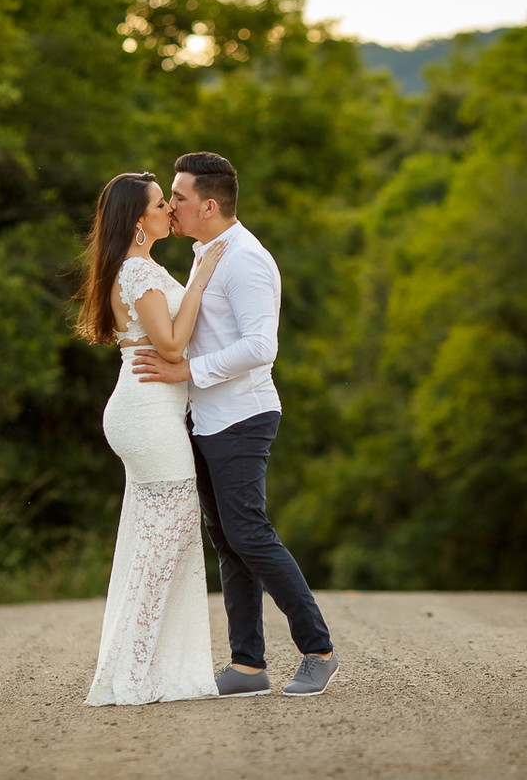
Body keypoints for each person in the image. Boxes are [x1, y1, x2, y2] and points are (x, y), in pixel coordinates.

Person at [133, 152, 338, 697]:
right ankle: (248, 666)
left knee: (250, 533)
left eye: (177, 197)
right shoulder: (206, 253)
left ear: (209, 204)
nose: (171, 206)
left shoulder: (246, 259)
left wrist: (186, 369)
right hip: (206, 417)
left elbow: (261, 347)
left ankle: (318, 649)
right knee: (227, 540)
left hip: (244, 417)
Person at [75, 171, 226, 706]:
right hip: (148, 417)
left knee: (155, 538)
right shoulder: (137, 271)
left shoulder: (141, 266)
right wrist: (202, 280)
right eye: (162, 205)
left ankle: (141, 665)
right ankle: (136, 671)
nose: (169, 211)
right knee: (169, 538)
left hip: (144, 413)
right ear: (140, 221)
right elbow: (169, 345)